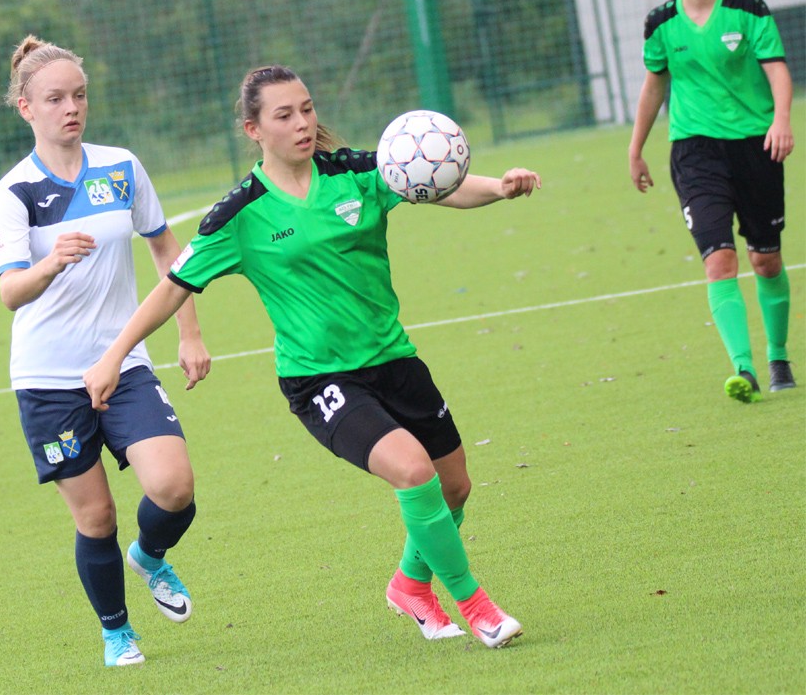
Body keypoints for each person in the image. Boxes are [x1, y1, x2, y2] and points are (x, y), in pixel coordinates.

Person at [84, 65, 541, 648]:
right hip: (320, 379)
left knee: (454, 488)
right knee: (413, 471)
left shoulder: (357, 172)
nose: (302, 123)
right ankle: (477, 606)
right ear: (254, 129)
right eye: (284, 115)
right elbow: (173, 287)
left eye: (306, 108)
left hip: (394, 360)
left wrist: (499, 187)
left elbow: (436, 183)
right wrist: (115, 355)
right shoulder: (240, 213)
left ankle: (409, 586)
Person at [0, 35, 211, 667]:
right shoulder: (17, 190)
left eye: (79, 95)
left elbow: (169, 252)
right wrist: (51, 263)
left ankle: (151, 556)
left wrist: (188, 331)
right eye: (55, 99)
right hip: (47, 378)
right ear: (26, 107)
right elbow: (10, 292)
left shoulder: (122, 167)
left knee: (174, 487)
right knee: (96, 518)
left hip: (123, 360)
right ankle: (117, 633)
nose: (72, 108)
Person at [628, 0, 796, 403]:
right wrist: (635, 149)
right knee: (719, 260)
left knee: (765, 260)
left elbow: (777, 70)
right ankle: (743, 368)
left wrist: (781, 120)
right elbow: (654, 87)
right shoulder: (660, 22)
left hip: (756, 145)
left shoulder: (747, 8)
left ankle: (778, 355)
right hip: (695, 150)